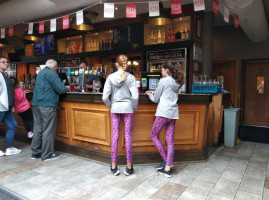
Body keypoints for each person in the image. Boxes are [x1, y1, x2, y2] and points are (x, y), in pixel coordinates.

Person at [145, 61, 184, 178]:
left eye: (162, 70)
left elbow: (155, 99)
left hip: (163, 113)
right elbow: (167, 94)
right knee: (170, 140)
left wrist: (149, 94)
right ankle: (167, 166)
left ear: (167, 70)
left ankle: (167, 162)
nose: (161, 72)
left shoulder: (163, 81)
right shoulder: (178, 83)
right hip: (173, 114)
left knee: (153, 135)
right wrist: (156, 93)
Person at [102, 54, 139, 176]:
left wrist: (111, 106)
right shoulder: (131, 77)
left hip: (115, 108)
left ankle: (114, 166)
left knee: (115, 136)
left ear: (116, 64)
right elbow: (135, 96)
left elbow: (104, 97)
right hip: (128, 108)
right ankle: (129, 167)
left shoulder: (110, 77)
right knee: (128, 136)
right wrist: (133, 107)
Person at [31, 59, 69, 161]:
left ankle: (35, 153)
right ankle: (47, 154)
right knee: (48, 129)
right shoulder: (52, 73)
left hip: (36, 104)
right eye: (56, 68)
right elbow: (61, 89)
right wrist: (68, 88)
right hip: (47, 105)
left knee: (38, 128)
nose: (56, 70)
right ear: (54, 67)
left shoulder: (40, 73)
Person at [0, 56, 21, 156]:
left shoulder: (4, 75)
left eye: (7, 62)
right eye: (3, 62)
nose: (6, 63)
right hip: (1, 107)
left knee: (12, 125)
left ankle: (10, 148)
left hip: (6, 107)